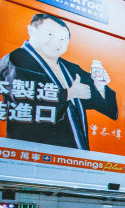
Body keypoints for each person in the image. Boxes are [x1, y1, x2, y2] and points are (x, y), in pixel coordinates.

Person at [0, 13, 118, 149]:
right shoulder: (15, 60)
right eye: (50, 35)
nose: (58, 42)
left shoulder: (71, 68)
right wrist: (69, 94)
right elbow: (25, 105)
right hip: (34, 156)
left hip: (73, 158)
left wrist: (100, 86)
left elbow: (106, 107)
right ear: (31, 30)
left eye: (64, 39)